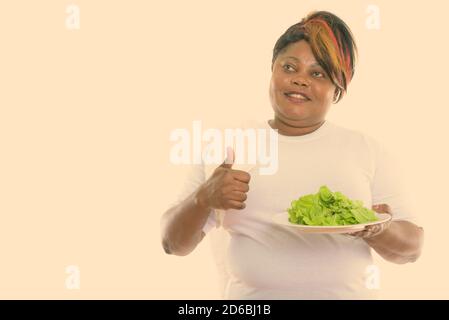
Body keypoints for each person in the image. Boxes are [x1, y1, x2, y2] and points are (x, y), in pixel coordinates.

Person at [160, 10, 424, 299]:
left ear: (337, 91)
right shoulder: (228, 146)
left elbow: (411, 251)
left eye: (317, 74)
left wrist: (375, 229)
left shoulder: (366, 150)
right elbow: (173, 244)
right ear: (272, 70)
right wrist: (203, 198)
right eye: (289, 67)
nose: (300, 80)